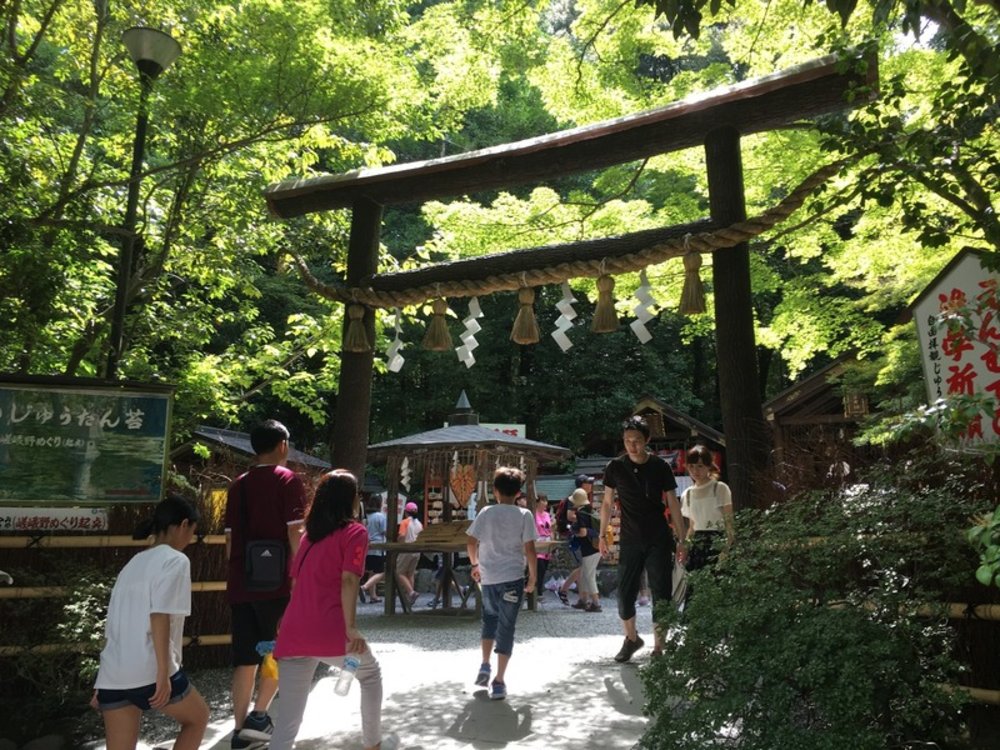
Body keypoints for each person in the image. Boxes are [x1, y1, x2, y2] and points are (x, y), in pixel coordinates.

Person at [269, 469, 385, 750]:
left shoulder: (308, 537)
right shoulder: (355, 532)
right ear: (351, 500)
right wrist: (351, 626)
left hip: (294, 630)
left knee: (287, 721)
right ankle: (373, 744)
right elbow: (348, 579)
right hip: (329, 628)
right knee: (370, 676)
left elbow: (296, 585)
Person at [92, 495, 210, 750]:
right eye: (191, 531)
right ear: (183, 525)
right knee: (198, 719)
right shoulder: (176, 560)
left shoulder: (133, 563)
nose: (190, 539)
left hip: (113, 675)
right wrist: (162, 673)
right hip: (149, 670)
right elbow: (160, 615)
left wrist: (103, 681)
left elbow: (114, 623)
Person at [224, 420, 307, 748]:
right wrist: (299, 576)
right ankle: (259, 716)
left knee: (245, 658)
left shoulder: (237, 485)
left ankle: (238, 727)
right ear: (283, 445)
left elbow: (229, 541)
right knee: (275, 650)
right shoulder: (288, 481)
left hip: (240, 582)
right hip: (277, 584)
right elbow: (294, 533)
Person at [599, 415, 686, 662]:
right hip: (629, 537)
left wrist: (681, 539)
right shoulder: (615, 467)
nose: (632, 445)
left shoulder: (660, 467)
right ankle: (631, 638)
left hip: (658, 536)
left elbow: (673, 504)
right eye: (627, 440)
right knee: (625, 592)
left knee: (661, 590)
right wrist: (602, 535)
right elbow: (606, 503)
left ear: (646, 440)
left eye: (637, 440)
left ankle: (659, 647)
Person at [466, 466, 538, 700]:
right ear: (518, 492)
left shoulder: (486, 512)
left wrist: (475, 564)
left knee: (489, 621)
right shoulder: (524, 514)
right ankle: (499, 681)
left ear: (495, 491)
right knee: (506, 627)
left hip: (488, 578)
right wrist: (534, 576)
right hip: (512, 579)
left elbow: (470, 541)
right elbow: (530, 548)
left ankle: (485, 664)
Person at [680, 445, 735, 577]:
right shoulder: (686, 494)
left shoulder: (720, 488)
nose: (695, 471)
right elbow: (692, 528)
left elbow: (730, 525)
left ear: (708, 466)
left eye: (700, 466)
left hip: (718, 541)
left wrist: (726, 551)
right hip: (697, 546)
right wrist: (685, 550)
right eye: (691, 466)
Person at [555, 475, 592, 605]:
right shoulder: (575, 498)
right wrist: (586, 520)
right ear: (582, 485)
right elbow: (570, 516)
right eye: (588, 482)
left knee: (584, 567)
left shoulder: (585, 497)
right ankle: (564, 589)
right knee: (583, 566)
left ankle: (582, 599)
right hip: (576, 535)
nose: (591, 485)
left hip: (581, 535)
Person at [569, 489, 602, 612]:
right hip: (597, 546)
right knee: (584, 574)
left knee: (589, 575)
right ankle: (583, 600)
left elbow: (583, 533)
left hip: (589, 549)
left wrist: (574, 533)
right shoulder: (592, 510)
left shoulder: (581, 513)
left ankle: (596, 604)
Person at [360, 496, 387, 604]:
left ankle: (373, 596)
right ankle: (364, 587)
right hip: (378, 547)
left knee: (371, 571)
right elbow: (384, 531)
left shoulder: (365, 517)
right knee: (381, 572)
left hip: (366, 546)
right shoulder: (380, 516)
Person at [395, 501, 423, 606]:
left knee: (399, 572)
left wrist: (398, 542)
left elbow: (402, 536)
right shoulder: (420, 524)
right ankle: (410, 597)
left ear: (406, 512)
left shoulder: (405, 522)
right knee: (410, 573)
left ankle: (411, 593)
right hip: (417, 551)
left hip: (406, 550)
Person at [533, 495, 552, 597]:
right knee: (539, 567)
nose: (545, 503)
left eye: (546, 500)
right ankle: (537, 591)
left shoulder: (547, 514)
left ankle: (539, 589)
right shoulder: (533, 514)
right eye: (543, 501)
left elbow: (550, 529)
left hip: (547, 542)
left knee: (544, 568)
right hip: (538, 542)